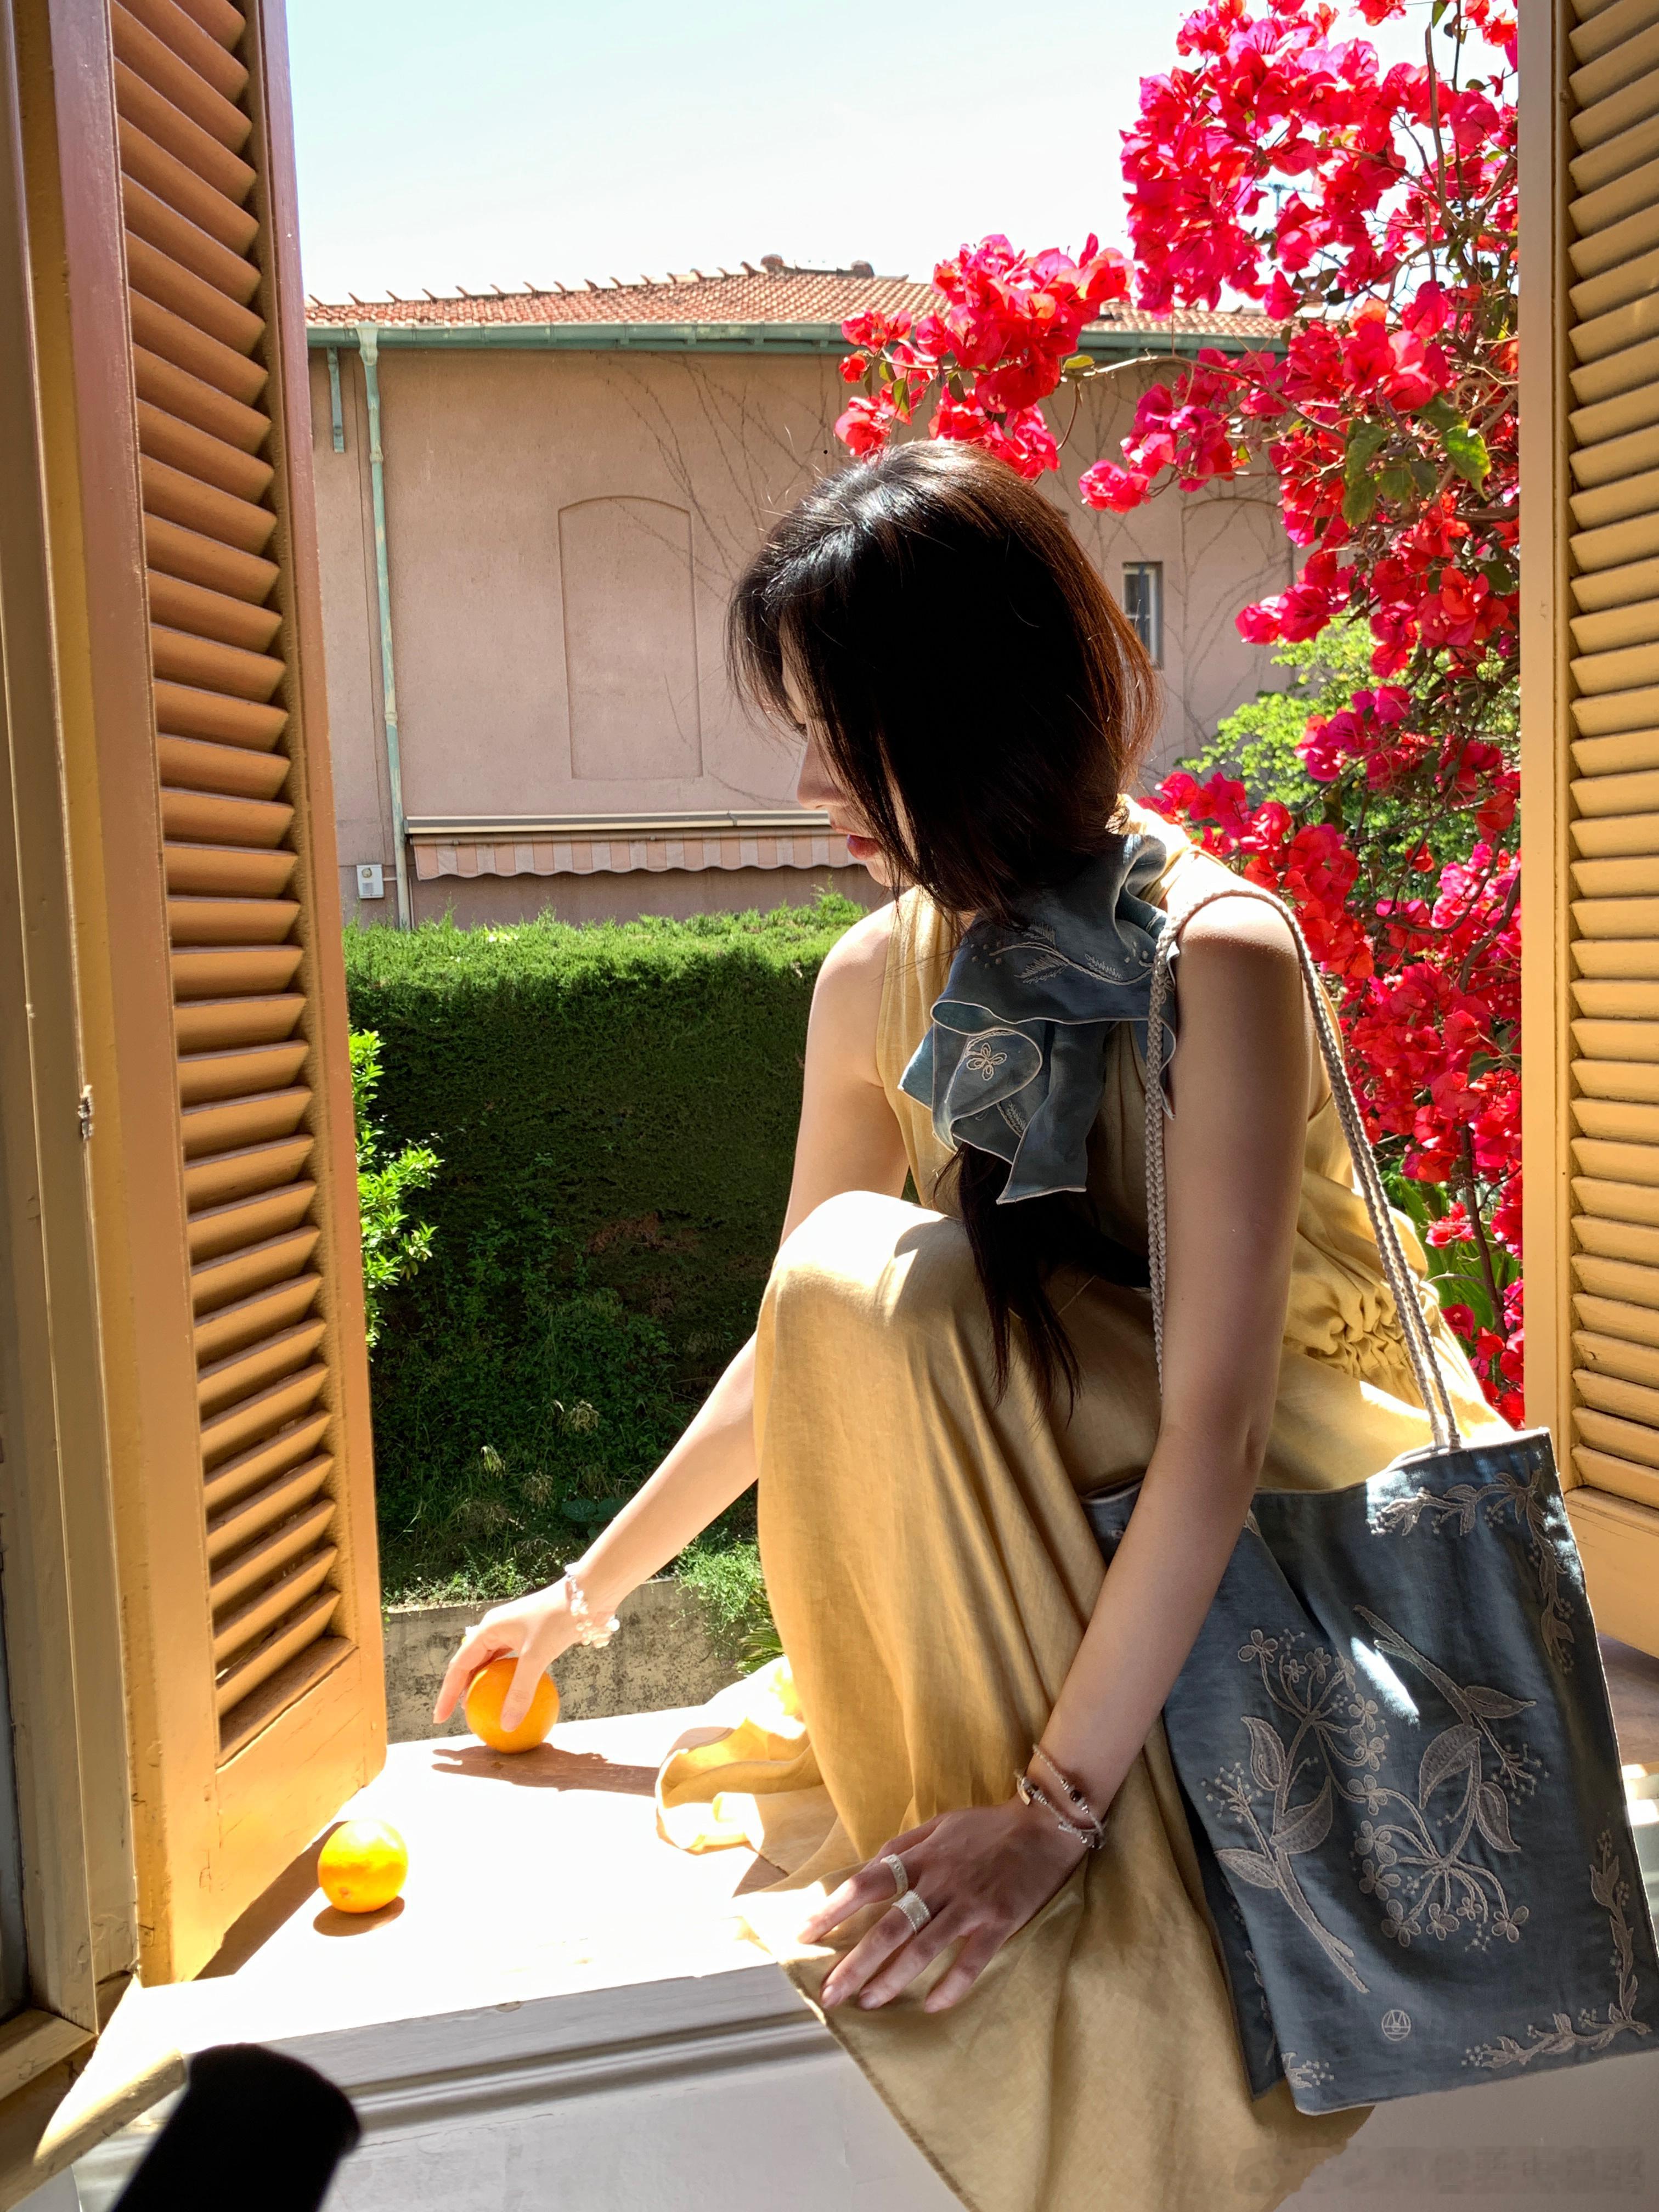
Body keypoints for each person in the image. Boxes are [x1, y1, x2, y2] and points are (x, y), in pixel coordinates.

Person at [435, 443, 1508, 2212]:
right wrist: (582, 1596)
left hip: (1290, 1520)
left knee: (898, 1281)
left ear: (972, 717)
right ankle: (968, 1810)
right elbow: (803, 1344)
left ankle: (1054, 1848)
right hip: (1067, 1502)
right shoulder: (876, 977)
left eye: (845, 734)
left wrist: (1058, 1817)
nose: (809, 784)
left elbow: (1223, 1428)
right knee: (862, 1278)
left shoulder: (1218, 955)